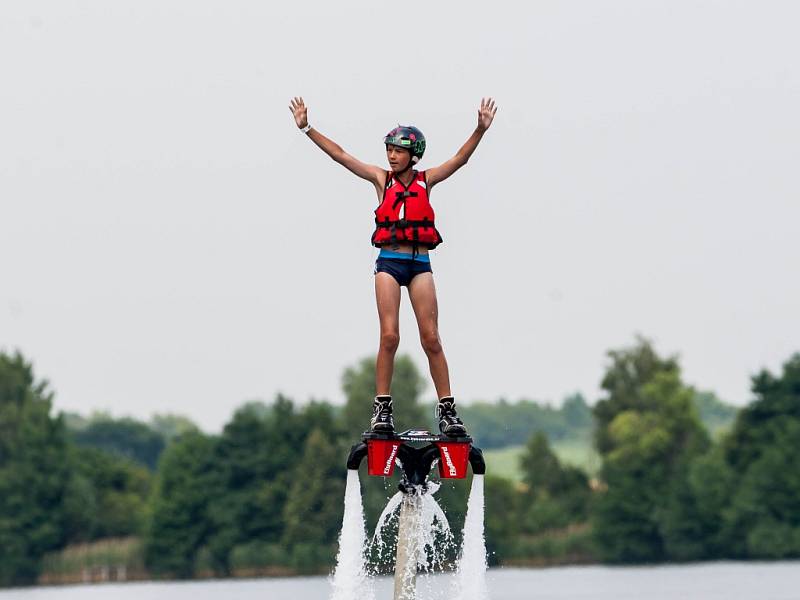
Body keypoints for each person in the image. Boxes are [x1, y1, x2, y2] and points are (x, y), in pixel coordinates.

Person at [289, 97, 497, 436]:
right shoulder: (380, 179)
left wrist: (479, 129)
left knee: (431, 338)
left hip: (419, 264)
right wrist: (308, 129)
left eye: (398, 151)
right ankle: (382, 408)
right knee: (389, 336)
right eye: (389, 149)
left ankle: (447, 410)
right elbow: (341, 155)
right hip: (389, 262)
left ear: (413, 155)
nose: (391, 155)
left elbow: (461, 159)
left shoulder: (426, 180)